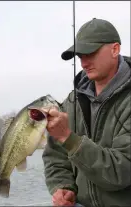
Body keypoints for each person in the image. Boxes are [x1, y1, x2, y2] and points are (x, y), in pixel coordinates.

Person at [42, 18, 131, 207]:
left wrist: (68, 137)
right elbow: (55, 155)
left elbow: (121, 171)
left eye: (90, 53)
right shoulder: (72, 101)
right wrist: (63, 187)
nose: (83, 62)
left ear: (115, 50)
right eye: (80, 55)